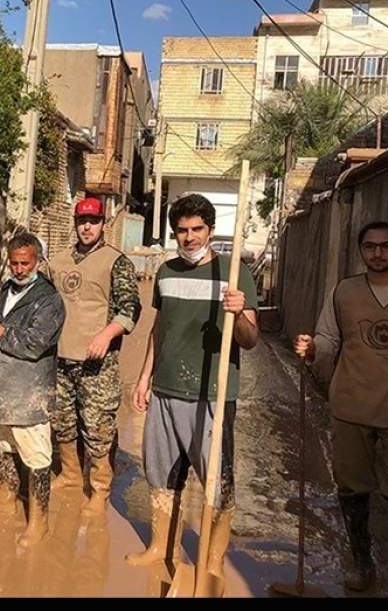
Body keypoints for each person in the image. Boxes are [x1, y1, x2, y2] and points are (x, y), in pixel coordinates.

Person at [127, 193, 258, 585]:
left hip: (211, 396)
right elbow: (159, 329)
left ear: (210, 230)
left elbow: (251, 340)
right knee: (162, 475)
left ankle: (213, 563)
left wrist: (238, 311)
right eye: (181, 230)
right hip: (166, 391)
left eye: (196, 229)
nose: (188, 237)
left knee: (218, 483)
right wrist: (144, 376)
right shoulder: (166, 272)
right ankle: (160, 548)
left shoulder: (234, 274)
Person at [294, 221, 388, 597]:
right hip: (351, 407)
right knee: (352, 488)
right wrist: (313, 348)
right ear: (361, 250)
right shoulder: (343, 293)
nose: (378, 253)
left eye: (385, 246)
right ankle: (362, 564)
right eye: (370, 247)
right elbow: (329, 339)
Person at [49, 197, 141, 516]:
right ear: (75, 223)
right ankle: (71, 475)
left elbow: (131, 308)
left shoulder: (117, 262)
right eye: (82, 221)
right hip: (61, 360)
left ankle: (100, 490)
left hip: (97, 365)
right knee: (62, 421)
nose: (87, 227)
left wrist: (107, 333)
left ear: (103, 224)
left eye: (93, 221)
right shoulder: (58, 262)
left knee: (98, 425)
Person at [0, 232, 66, 546]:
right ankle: (3, 500)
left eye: (25, 263)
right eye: (14, 263)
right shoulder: (3, 290)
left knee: (37, 457)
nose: (19, 269)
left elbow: (35, 343)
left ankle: (39, 523)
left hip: (30, 392)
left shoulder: (49, 300)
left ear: (37, 261)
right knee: (1, 447)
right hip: (2, 389)